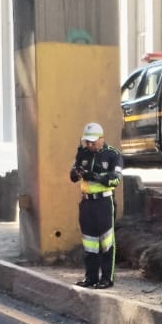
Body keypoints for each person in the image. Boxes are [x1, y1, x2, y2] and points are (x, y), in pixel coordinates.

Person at [68, 122, 123, 288]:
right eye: (87, 142)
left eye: (93, 142)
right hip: (86, 203)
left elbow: (116, 179)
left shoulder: (112, 155)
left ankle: (107, 278)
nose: (90, 145)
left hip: (104, 202)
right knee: (89, 243)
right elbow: (72, 176)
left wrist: (96, 176)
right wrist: (76, 173)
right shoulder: (83, 153)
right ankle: (91, 277)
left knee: (106, 242)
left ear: (102, 138)